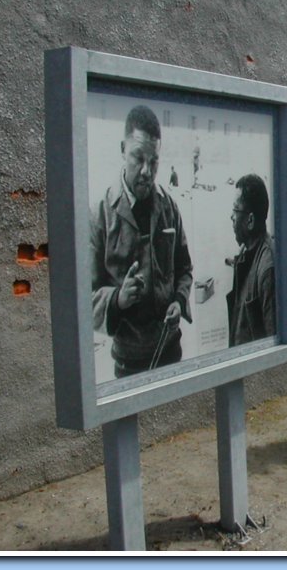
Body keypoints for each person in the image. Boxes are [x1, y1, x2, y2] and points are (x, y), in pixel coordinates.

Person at [91, 105, 193, 378]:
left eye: (154, 161)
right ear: (122, 150)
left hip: (170, 352)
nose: (147, 171)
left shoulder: (169, 207)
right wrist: (117, 300)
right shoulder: (100, 215)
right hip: (129, 363)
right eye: (138, 158)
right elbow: (84, 298)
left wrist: (179, 302)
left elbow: (184, 268)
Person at [227, 174, 276, 346]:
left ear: (250, 220)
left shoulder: (268, 268)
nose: (231, 217)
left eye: (235, 210)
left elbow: (273, 340)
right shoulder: (247, 252)